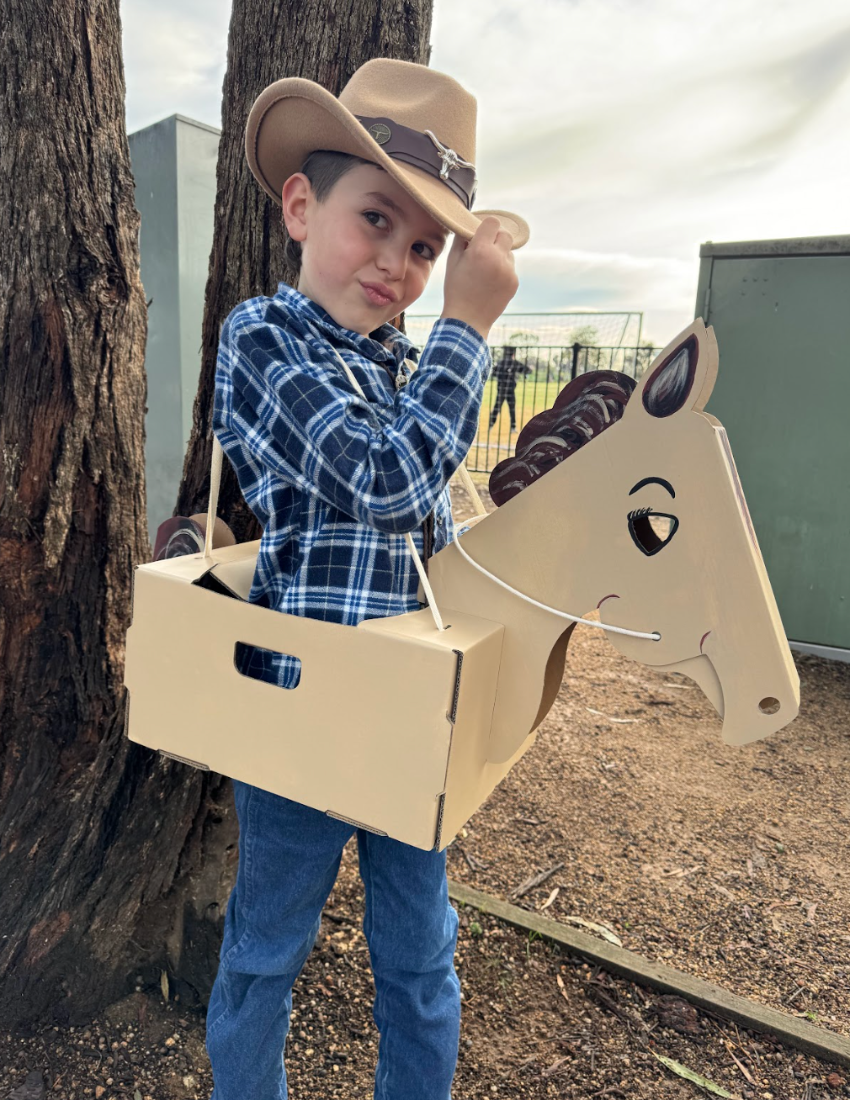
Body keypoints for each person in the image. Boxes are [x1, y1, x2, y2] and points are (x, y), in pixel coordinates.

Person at [204, 58, 528, 1100]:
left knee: (422, 960)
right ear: (301, 205)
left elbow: (434, 527)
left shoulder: (401, 365)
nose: (399, 262)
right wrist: (467, 328)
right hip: (300, 706)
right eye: (376, 219)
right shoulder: (262, 338)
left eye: (427, 247)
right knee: (264, 949)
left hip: (407, 714)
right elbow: (384, 480)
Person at [487, 344, 530, 432]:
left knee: (496, 408)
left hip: (501, 389)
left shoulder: (500, 363)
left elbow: (492, 372)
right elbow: (527, 370)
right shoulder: (514, 363)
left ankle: (491, 425)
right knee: (512, 409)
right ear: (513, 354)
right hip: (510, 390)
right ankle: (513, 427)